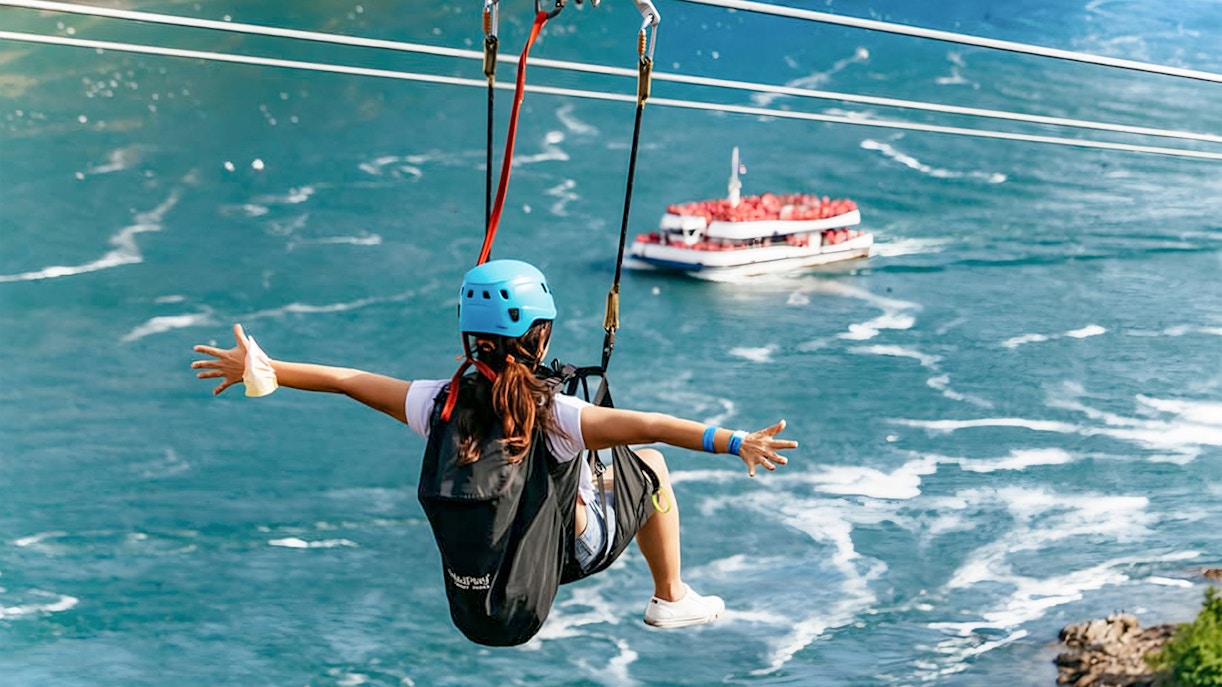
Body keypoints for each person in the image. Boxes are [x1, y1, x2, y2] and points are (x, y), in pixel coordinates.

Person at [191, 259, 797, 629]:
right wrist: (735, 441)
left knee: (595, 464)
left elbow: (348, 381)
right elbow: (655, 426)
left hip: (487, 583)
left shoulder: (437, 403)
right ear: (541, 337)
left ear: (470, 336)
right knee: (652, 466)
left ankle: (653, 580)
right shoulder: (559, 414)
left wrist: (263, 367)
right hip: (564, 557)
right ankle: (670, 597)